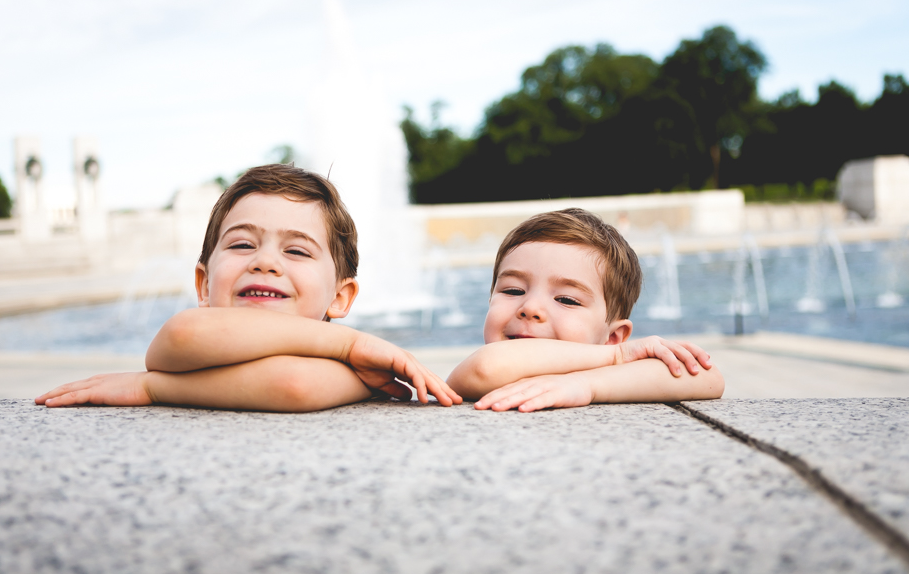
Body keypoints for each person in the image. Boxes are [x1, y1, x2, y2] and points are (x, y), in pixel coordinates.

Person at [36, 164, 461, 411]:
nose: (265, 261)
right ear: (203, 283)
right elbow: (184, 334)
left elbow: (292, 383)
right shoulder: (347, 358)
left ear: (340, 296)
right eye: (242, 244)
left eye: (297, 251)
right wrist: (346, 345)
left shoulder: (348, 372)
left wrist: (152, 388)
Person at [446, 208, 724, 412]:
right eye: (513, 290)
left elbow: (709, 379)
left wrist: (587, 385)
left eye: (566, 299)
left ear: (613, 336)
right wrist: (617, 357)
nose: (530, 307)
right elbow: (489, 366)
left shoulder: (594, 374)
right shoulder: (473, 373)